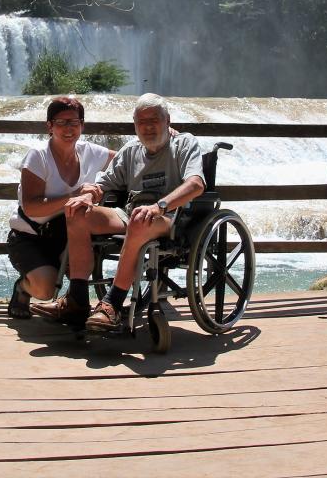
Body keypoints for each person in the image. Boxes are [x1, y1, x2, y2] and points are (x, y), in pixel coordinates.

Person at [31, 93, 204, 331]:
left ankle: (111, 305)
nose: (148, 126)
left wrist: (159, 206)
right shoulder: (131, 150)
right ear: (135, 126)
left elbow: (196, 184)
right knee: (77, 212)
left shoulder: (184, 143)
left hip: (168, 216)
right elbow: (104, 183)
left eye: (154, 119)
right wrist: (88, 195)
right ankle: (77, 300)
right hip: (130, 213)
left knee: (140, 220)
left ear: (167, 120)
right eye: (141, 122)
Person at [6, 96, 114, 318]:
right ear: (50, 126)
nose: (68, 129)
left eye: (74, 123)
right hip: (31, 237)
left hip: (69, 235)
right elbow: (31, 208)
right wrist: (74, 194)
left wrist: (165, 132)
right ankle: (23, 287)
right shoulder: (38, 156)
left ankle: (72, 304)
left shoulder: (89, 152)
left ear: (82, 126)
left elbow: (129, 160)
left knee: (82, 264)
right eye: (61, 122)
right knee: (45, 290)